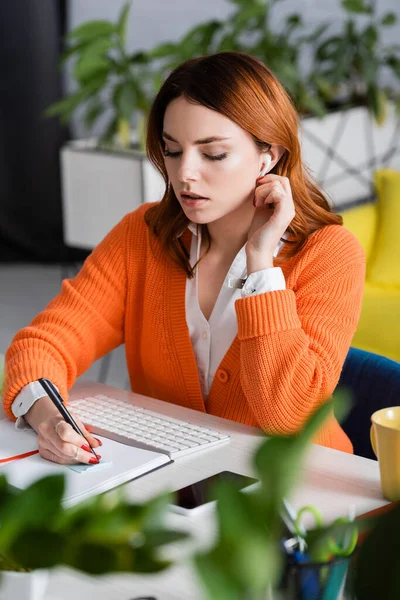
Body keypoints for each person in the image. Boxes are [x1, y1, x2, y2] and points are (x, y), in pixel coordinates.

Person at [2, 52, 365, 464]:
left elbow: (291, 415)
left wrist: (261, 264)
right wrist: (49, 419)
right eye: (173, 151)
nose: (185, 174)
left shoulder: (329, 254)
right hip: (177, 482)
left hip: (307, 492)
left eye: (213, 154)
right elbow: (43, 344)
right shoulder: (143, 236)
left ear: (270, 155)